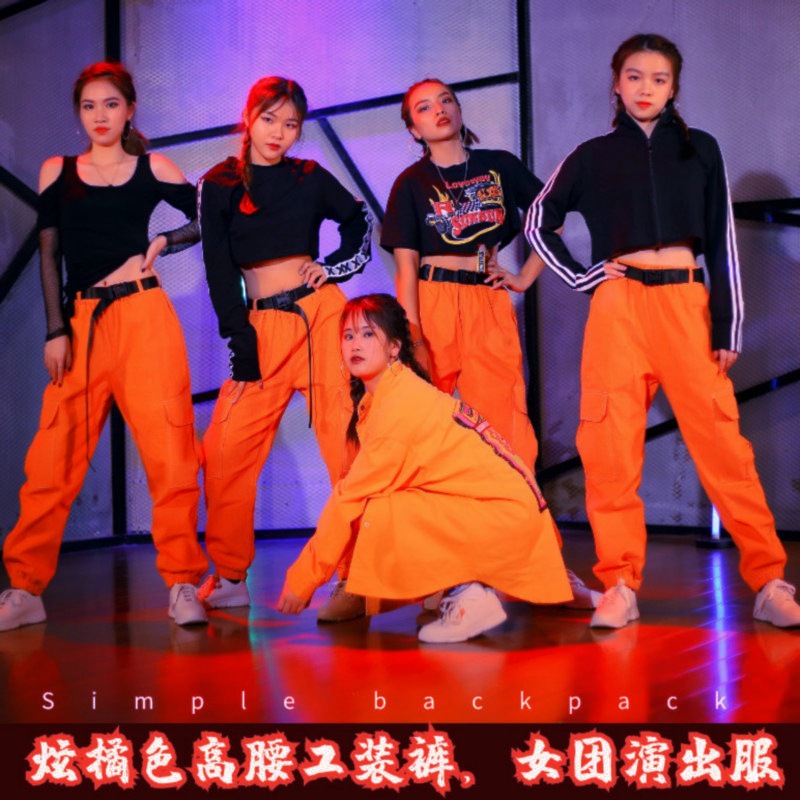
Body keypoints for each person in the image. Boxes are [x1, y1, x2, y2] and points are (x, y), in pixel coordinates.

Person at [525, 33, 800, 629]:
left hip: (685, 305)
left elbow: (722, 239)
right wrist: (583, 277)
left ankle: (770, 582)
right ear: (616, 83)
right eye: (634, 76)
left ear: (674, 88)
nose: (645, 88)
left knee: (724, 448)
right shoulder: (592, 155)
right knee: (609, 451)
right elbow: (537, 220)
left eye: (658, 79)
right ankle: (619, 585)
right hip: (617, 307)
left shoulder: (700, 149)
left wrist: (727, 323)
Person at [0, 62, 209, 632]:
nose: (100, 116)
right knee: (53, 457)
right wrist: (55, 330)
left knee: (170, 453)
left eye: (111, 104)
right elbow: (50, 253)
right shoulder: (58, 169)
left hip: (145, 315)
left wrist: (164, 239)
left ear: (129, 110)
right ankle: (25, 588)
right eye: (89, 106)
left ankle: (183, 582)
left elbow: (205, 217)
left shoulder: (153, 167)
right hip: (83, 321)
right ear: (79, 113)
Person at [379, 77, 599, 610]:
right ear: (413, 128)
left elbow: (550, 220)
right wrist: (412, 336)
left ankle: (543, 566)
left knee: (511, 440)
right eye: (424, 108)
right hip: (430, 305)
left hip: (487, 301)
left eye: (446, 100)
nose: (439, 110)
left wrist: (523, 277)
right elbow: (405, 269)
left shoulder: (498, 166)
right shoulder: (410, 182)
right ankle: (442, 577)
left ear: (458, 110)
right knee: (429, 441)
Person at [278, 294, 573, 642]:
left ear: (394, 348)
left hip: (506, 519)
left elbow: (349, 497)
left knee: (381, 509)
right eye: (349, 335)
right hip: (505, 514)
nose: (355, 344)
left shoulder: (400, 404)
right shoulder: (393, 392)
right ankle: (456, 589)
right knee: (393, 498)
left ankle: (468, 597)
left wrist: (303, 579)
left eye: (368, 334)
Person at [197, 77, 372, 613]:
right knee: (224, 450)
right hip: (260, 329)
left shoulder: (309, 176)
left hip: (321, 319)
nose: (278, 132)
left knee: (346, 448)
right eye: (269, 119)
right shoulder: (219, 183)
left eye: (291, 124)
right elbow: (218, 266)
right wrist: (237, 332)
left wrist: (333, 267)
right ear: (248, 118)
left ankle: (356, 578)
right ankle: (231, 576)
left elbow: (358, 224)